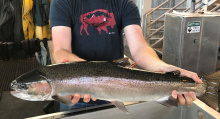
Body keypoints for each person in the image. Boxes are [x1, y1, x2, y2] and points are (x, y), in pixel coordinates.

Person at [50, 0, 203, 111]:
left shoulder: (125, 4)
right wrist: (88, 78)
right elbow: (61, 50)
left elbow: (139, 48)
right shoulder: (63, 3)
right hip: (74, 94)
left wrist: (163, 68)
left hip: (119, 91)